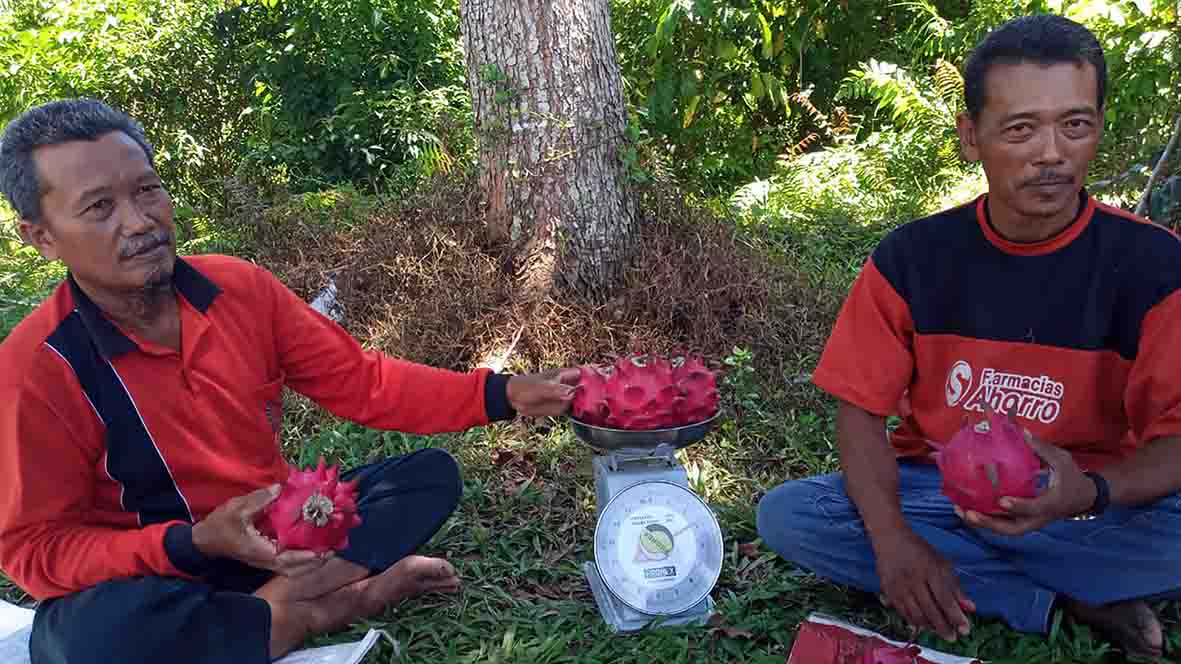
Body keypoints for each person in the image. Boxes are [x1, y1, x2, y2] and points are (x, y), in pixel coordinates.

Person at [0, 98, 579, 664]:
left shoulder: (238, 289)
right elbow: (34, 549)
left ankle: (260, 616)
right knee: (81, 642)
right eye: (99, 207)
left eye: (147, 189)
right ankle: (325, 608)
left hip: (285, 538)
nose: (140, 220)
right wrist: (194, 541)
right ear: (42, 237)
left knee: (427, 477)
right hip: (161, 567)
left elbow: (363, 382)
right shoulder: (36, 368)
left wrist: (502, 393)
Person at [756, 14, 1181, 662]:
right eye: (1019, 129)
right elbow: (858, 414)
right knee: (787, 515)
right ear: (969, 138)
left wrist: (1087, 492)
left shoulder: (1155, 268)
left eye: (1075, 125)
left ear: (1097, 128)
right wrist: (895, 541)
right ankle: (1066, 598)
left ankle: (1008, 575)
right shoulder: (911, 260)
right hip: (941, 494)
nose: (1050, 153)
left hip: (1093, 500)